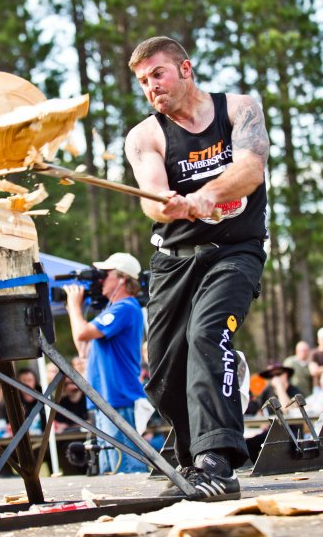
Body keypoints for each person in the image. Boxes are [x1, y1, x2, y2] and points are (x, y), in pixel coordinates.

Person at [125, 36, 269, 500]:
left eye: (158, 74)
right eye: (144, 82)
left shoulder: (238, 110)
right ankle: (193, 460)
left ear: (185, 69)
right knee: (165, 370)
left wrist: (211, 192)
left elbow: (251, 169)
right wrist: (165, 204)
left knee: (208, 333)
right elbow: (151, 194)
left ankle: (218, 463)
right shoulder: (144, 135)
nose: (152, 87)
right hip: (173, 260)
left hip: (233, 252)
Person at [64, 252, 147, 474]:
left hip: (117, 397)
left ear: (121, 278)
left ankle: (141, 508)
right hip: (104, 398)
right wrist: (75, 311)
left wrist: (74, 307)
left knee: (127, 468)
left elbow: (82, 333)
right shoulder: (113, 310)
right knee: (110, 470)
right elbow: (83, 348)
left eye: (106, 274)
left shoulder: (126, 307)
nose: (100, 279)